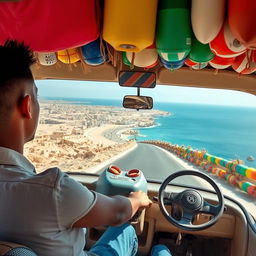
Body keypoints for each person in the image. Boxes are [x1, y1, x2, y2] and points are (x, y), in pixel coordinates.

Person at [0, 40, 172, 256]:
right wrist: (137, 200)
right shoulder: (52, 190)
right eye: (36, 96)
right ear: (27, 107)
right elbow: (119, 213)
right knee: (141, 239)